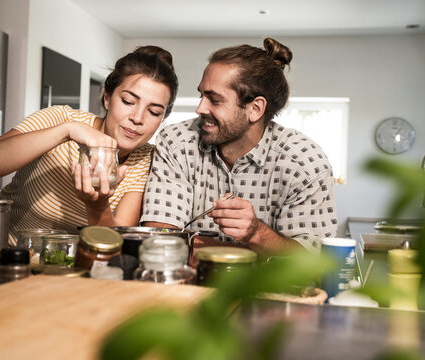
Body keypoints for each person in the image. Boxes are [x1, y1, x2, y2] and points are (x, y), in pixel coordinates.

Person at [141, 38, 337, 254]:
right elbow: (160, 240)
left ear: (255, 109)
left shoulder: (304, 162)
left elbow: (312, 261)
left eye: (214, 100)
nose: (199, 108)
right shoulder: (176, 141)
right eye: (201, 95)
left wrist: (256, 234)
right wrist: (253, 255)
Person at [0, 46, 178, 245]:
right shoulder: (61, 118)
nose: (138, 118)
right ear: (107, 98)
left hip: (62, 267)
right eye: (128, 101)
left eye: (154, 112)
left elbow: (117, 244)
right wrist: (66, 130)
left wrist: (97, 206)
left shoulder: (147, 160)